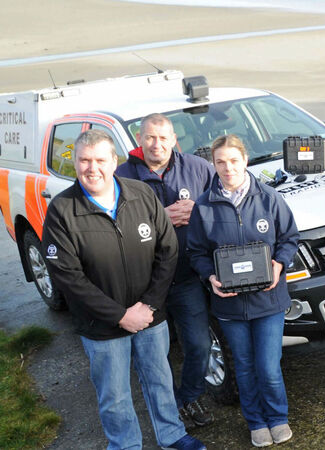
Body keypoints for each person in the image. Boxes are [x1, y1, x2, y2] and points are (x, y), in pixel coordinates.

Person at [41, 129, 205, 450]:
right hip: (101, 325)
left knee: (160, 380)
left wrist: (149, 304)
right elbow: (67, 276)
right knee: (114, 394)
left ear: (114, 161)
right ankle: (125, 445)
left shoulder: (141, 194)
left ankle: (171, 435)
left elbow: (167, 250)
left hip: (150, 316)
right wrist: (119, 315)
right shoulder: (62, 210)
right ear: (75, 163)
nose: (93, 168)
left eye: (100, 160)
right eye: (84, 160)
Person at [186, 135, 299, 447]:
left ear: (245, 161)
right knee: (245, 368)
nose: (228, 168)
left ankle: (277, 417)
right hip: (230, 306)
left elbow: (290, 237)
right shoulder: (204, 206)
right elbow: (196, 252)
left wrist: (279, 263)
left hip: (268, 301)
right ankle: (256, 422)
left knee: (268, 367)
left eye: (234, 161)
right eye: (220, 162)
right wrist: (210, 276)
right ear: (213, 164)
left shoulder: (269, 198)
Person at [115, 113, 216, 427]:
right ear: (139, 140)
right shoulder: (121, 177)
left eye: (163, 138)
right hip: (143, 284)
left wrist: (200, 209)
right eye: (149, 137)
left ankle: (189, 397)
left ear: (174, 139)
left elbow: (224, 203)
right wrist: (159, 218)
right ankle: (169, 409)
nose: (156, 144)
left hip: (185, 278)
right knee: (154, 356)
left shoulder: (198, 168)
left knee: (199, 345)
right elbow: (111, 225)